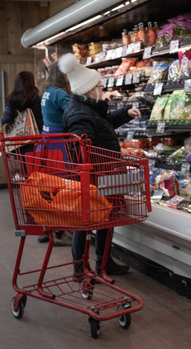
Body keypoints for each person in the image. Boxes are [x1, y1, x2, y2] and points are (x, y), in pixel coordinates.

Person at [59, 54, 140, 277]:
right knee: (87, 221)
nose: (102, 89)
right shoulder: (79, 113)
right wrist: (93, 167)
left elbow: (101, 127)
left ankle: (103, 262)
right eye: (99, 86)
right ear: (89, 89)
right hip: (95, 176)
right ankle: (81, 267)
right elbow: (81, 148)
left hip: (103, 174)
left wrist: (124, 114)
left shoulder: (87, 109)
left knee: (105, 218)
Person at [37, 60, 73, 245]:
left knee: (49, 186)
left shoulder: (48, 91)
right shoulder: (59, 93)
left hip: (46, 141)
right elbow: (74, 111)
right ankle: (63, 230)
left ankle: (49, 228)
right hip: (58, 144)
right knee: (62, 185)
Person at [1, 71, 44, 156]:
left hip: (20, 144)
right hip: (37, 141)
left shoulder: (12, 100)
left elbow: (5, 120)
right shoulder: (38, 99)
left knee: (24, 168)